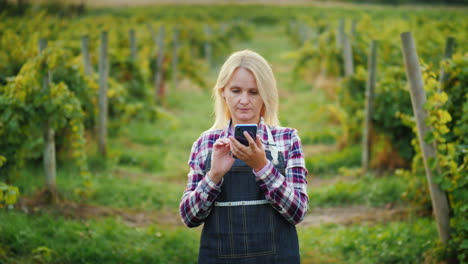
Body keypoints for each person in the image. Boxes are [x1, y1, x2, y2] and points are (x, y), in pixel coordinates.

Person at [179, 50, 308, 264]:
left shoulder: (287, 140)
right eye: (236, 90)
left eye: (254, 92)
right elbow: (189, 217)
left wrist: (262, 167)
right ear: (223, 93)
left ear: (266, 96)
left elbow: (297, 212)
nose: (244, 100)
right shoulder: (206, 143)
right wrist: (214, 175)